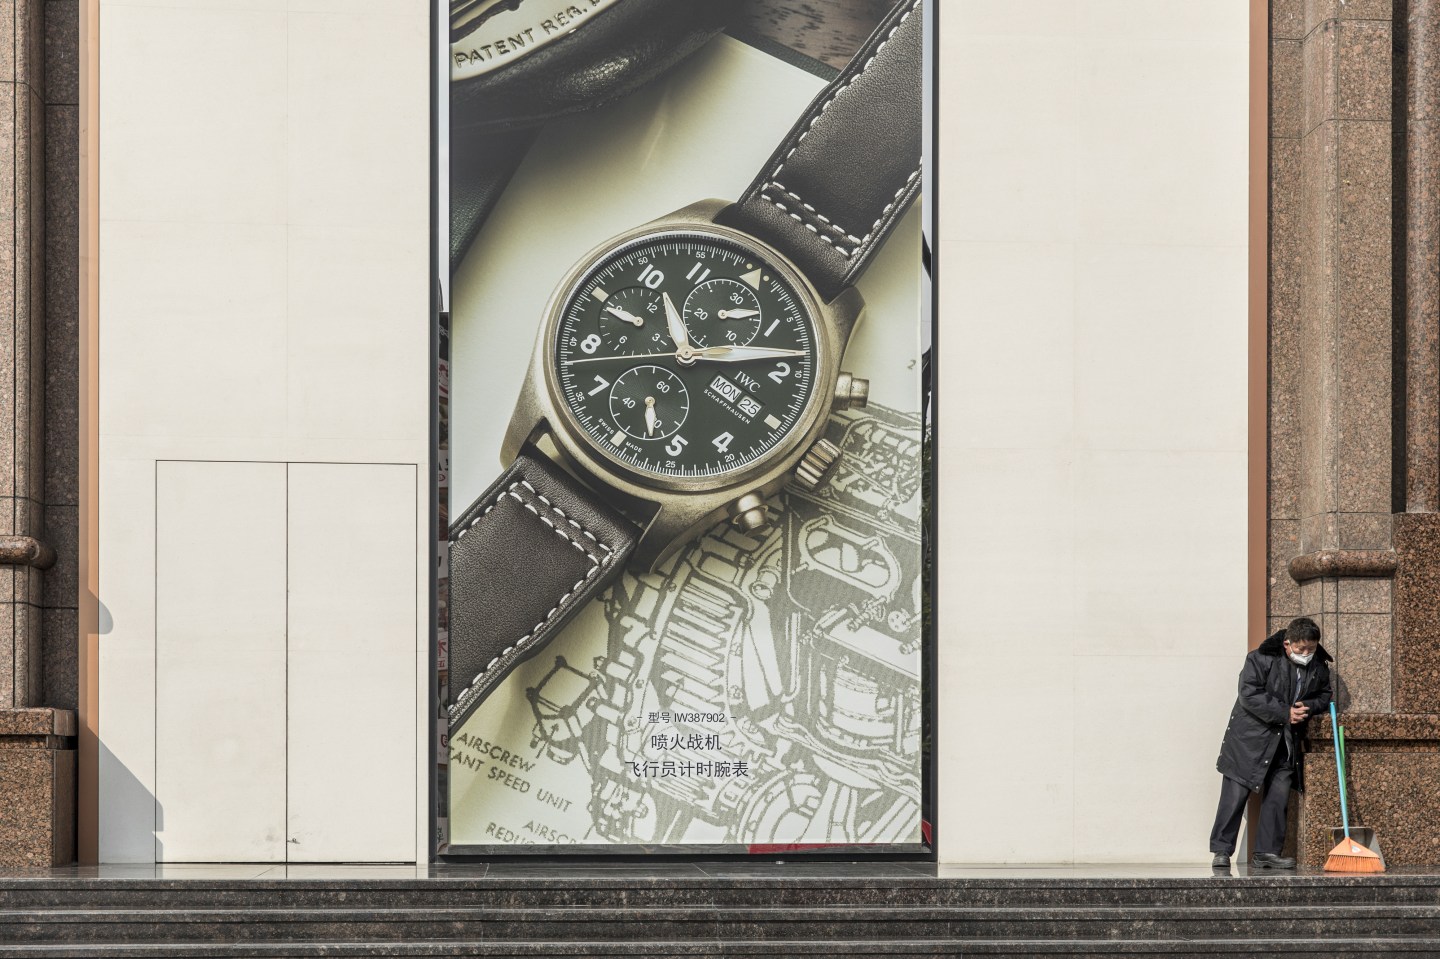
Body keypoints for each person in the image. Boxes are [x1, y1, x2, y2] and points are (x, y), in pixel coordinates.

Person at [1209, 616, 1333, 869]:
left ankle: (1267, 852)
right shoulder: (1260, 658)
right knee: (1234, 797)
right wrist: (1283, 712)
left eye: (1311, 648)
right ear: (1287, 644)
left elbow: (1325, 695)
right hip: (1249, 740)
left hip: (1286, 741)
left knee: (1277, 797)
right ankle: (1221, 850)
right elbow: (1249, 694)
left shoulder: (1319, 665)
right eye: (1301, 649)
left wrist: (1307, 706)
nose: (1306, 654)